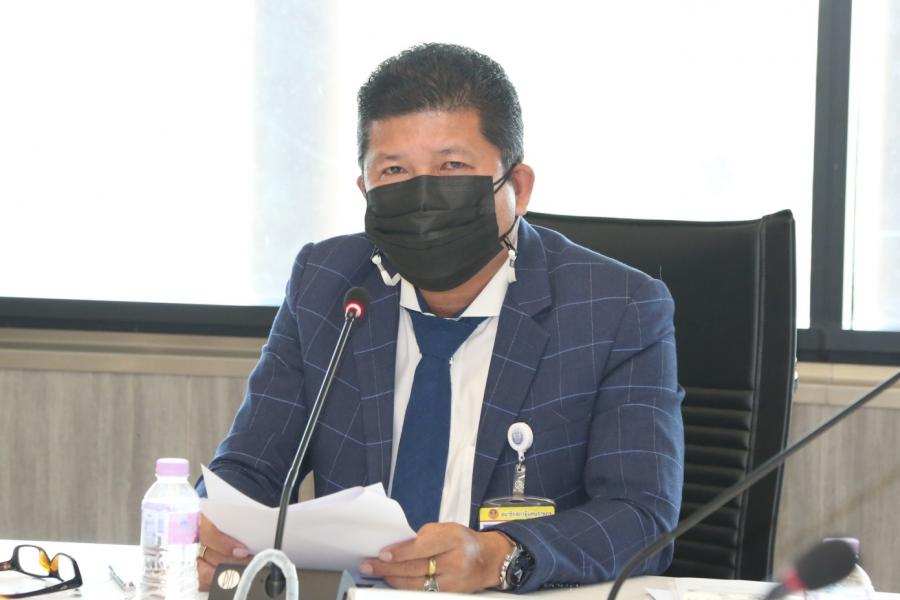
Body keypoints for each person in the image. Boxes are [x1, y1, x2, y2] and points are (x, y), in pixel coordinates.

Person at [196, 42, 684, 594]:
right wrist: (212, 525)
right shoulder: (327, 284)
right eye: (395, 171)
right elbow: (250, 467)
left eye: (452, 167)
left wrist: (501, 555)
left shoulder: (616, 308)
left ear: (518, 187)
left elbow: (641, 515)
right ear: (365, 190)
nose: (422, 197)